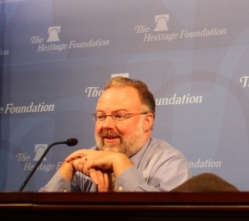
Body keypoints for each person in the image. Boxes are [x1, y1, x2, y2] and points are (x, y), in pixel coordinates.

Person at [40, 77, 190, 192]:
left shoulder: (169, 162)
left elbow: (162, 219)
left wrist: (120, 162)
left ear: (147, 121)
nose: (106, 125)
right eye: (101, 116)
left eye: (119, 116)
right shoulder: (85, 162)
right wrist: (68, 168)